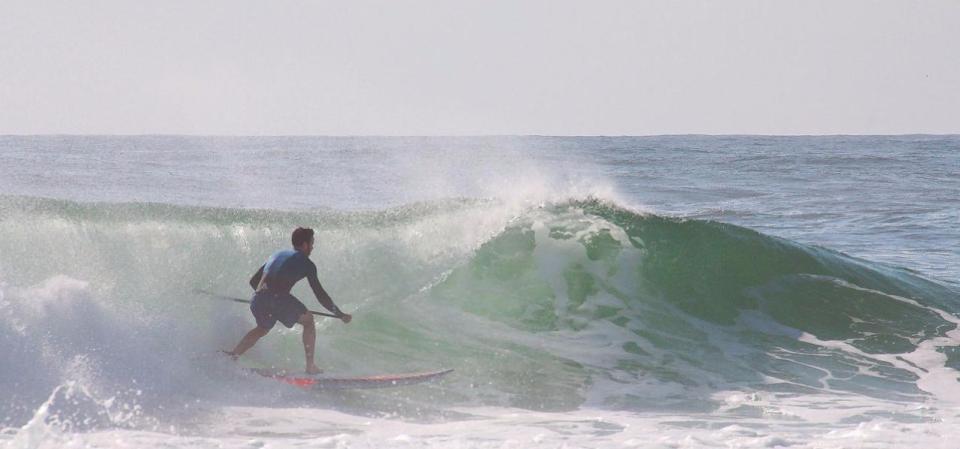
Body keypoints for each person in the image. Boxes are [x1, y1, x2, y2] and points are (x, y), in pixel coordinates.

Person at [225, 227, 351, 374]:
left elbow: (253, 281)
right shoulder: (307, 264)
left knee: (262, 328)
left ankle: (233, 355)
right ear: (305, 244)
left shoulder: (277, 254)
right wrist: (340, 314)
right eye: (312, 243)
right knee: (309, 321)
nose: (312, 247)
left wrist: (263, 298)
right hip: (277, 299)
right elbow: (320, 295)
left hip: (257, 299)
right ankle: (310, 366)